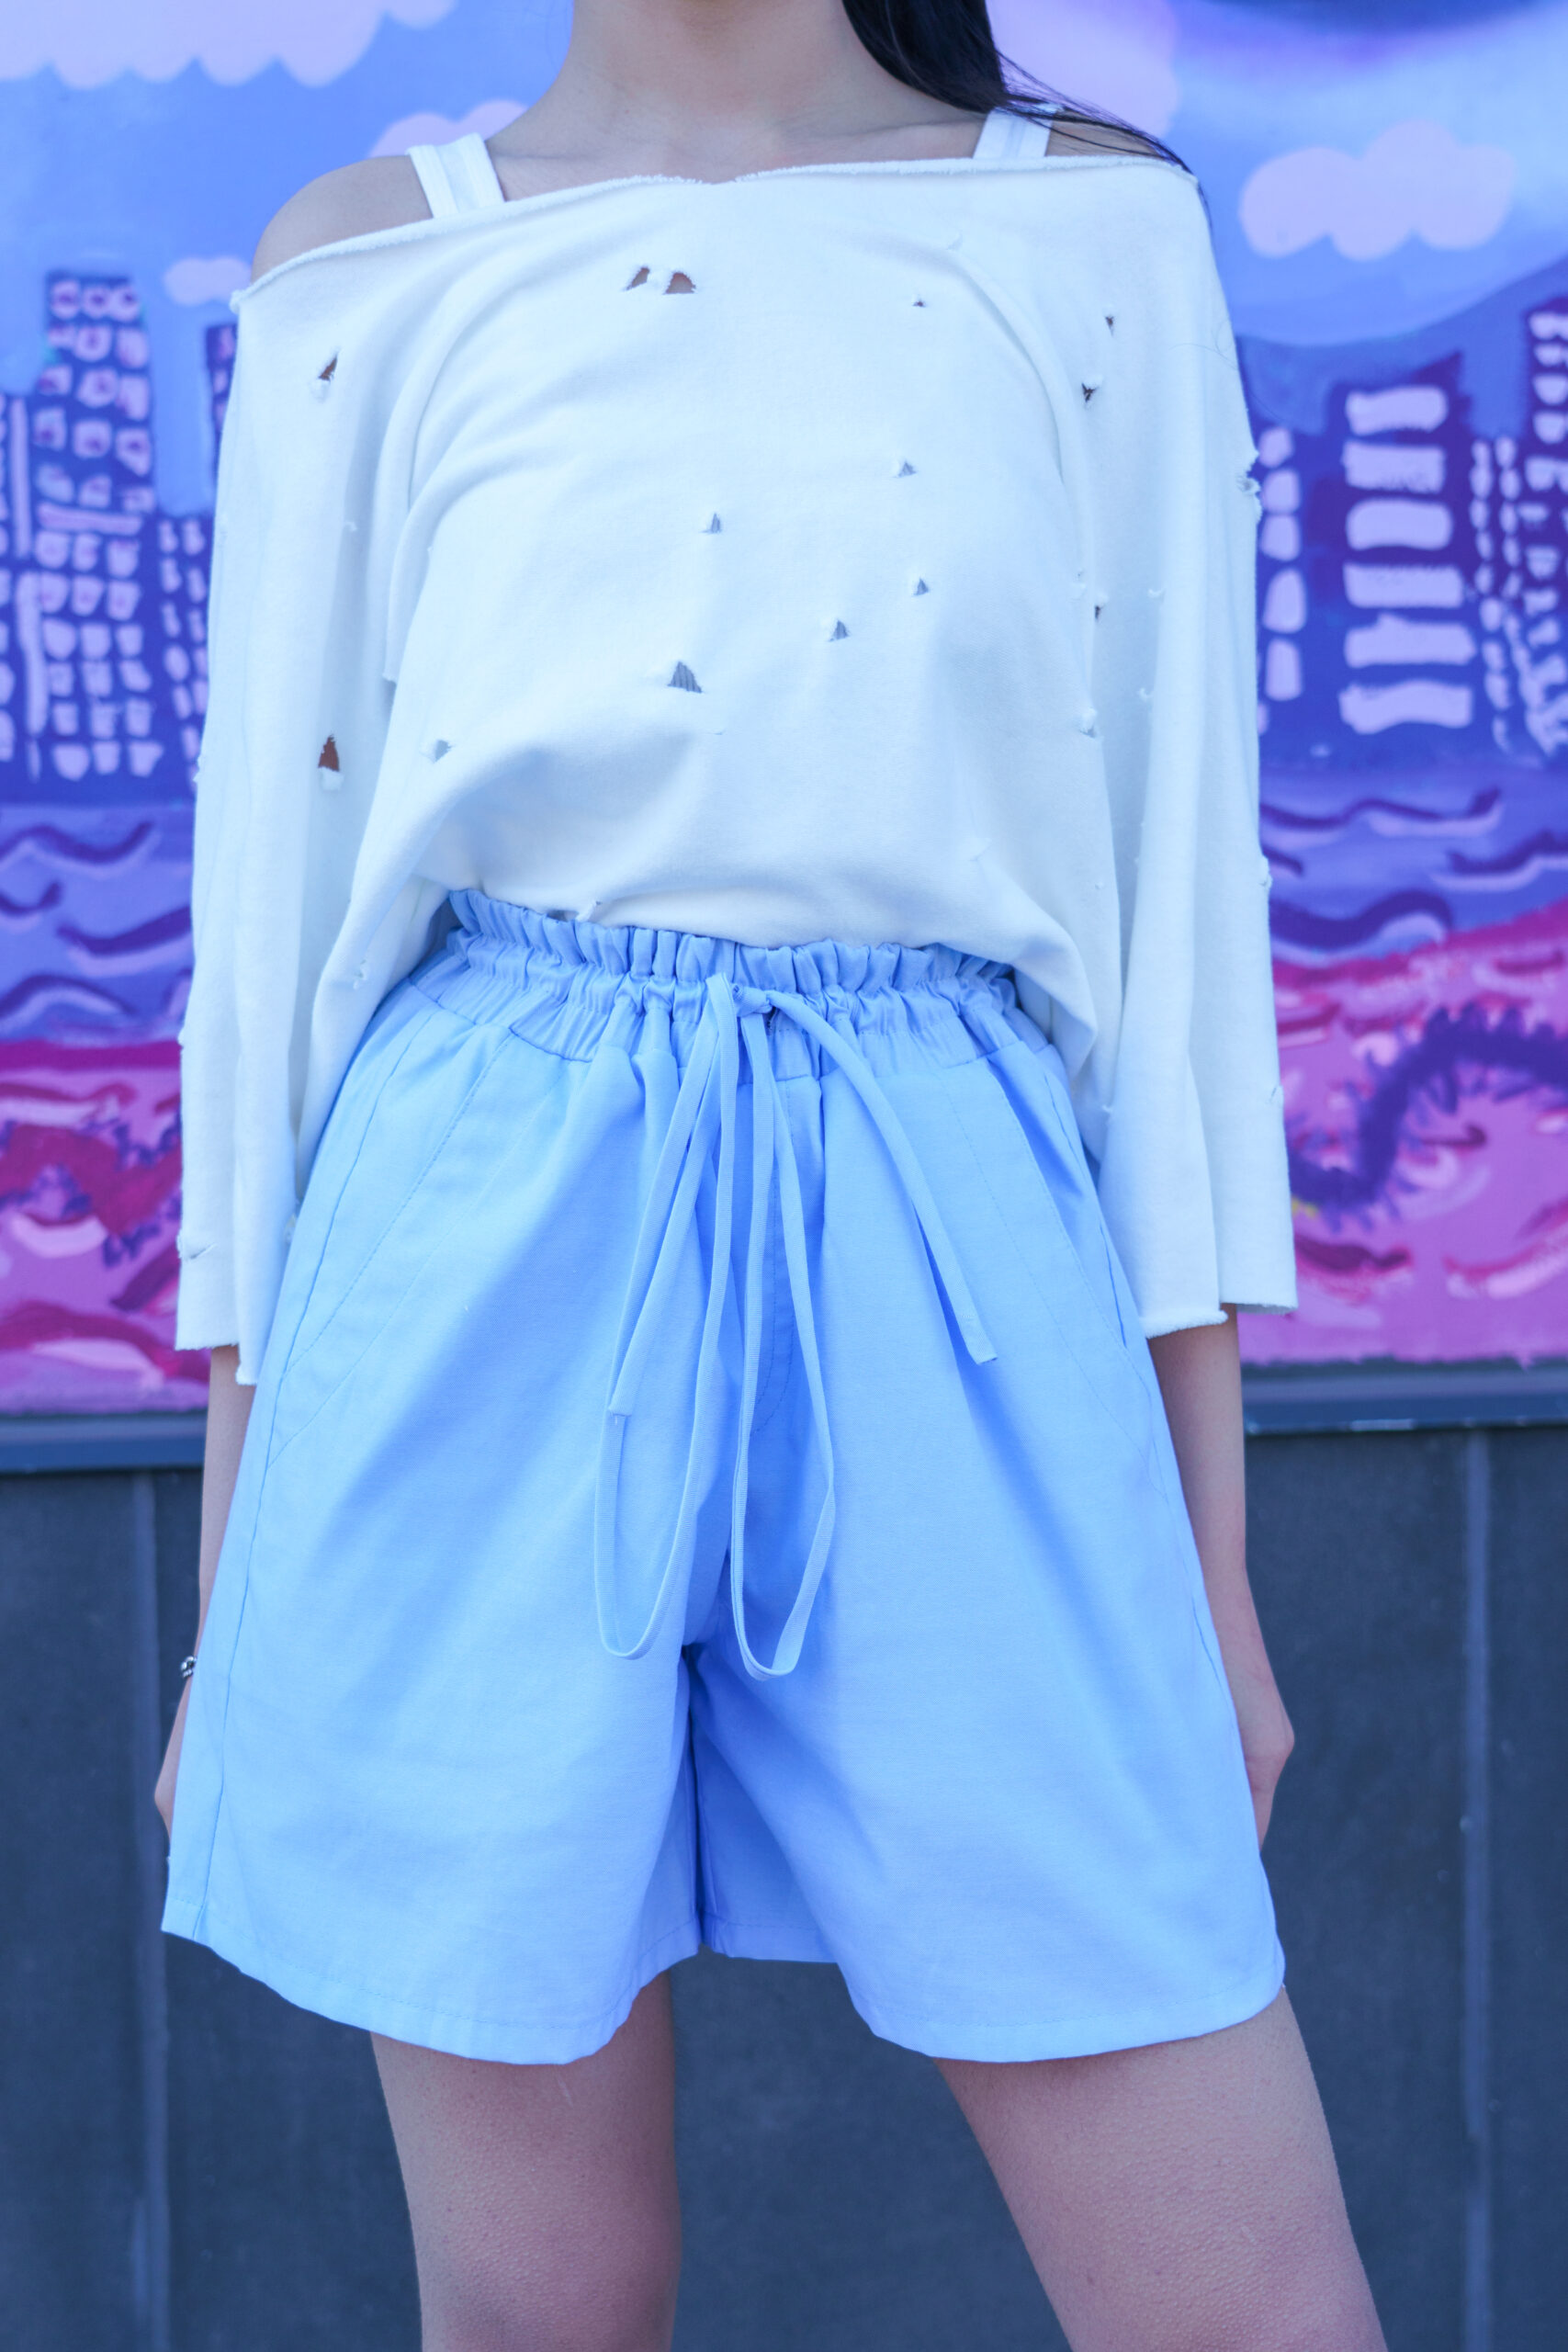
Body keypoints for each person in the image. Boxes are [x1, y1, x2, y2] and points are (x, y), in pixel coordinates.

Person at [154, 0, 1388, 2342]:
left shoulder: (1094, 235)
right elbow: (275, 951)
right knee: (538, 2301)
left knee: (1243, 2301)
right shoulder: (364, 260)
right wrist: (242, 1590)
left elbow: (1170, 915)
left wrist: (1204, 1572)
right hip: (477, 1237)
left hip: (949, 1234)